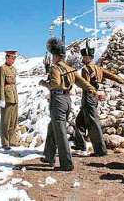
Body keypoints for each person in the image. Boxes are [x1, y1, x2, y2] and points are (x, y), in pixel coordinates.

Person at [39, 37, 96, 171]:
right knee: (52, 127)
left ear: (55, 56)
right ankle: (49, 155)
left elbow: (54, 85)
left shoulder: (55, 68)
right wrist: (93, 90)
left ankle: (66, 163)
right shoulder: (70, 69)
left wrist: (43, 83)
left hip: (58, 101)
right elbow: (82, 82)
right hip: (67, 102)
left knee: (60, 132)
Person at [73, 42, 124, 156]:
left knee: (93, 124)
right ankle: (80, 145)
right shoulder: (98, 68)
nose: (83, 59)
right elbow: (112, 75)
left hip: (89, 96)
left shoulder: (86, 69)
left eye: (84, 57)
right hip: (92, 97)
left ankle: (100, 151)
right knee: (79, 121)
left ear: (88, 57)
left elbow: (86, 84)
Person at [0, 51, 19, 150]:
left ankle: (12, 140)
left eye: (14, 58)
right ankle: (5, 142)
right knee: (6, 121)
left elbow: (13, 84)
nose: (13, 60)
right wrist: (1, 98)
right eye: (12, 58)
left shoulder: (13, 69)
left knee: (13, 121)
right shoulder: (2, 69)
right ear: (7, 57)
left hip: (14, 97)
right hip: (7, 97)